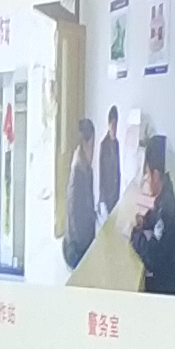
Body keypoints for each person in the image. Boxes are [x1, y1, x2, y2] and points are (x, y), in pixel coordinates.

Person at [130, 132, 175, 295]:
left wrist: (135, 235)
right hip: (165, 273)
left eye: (147, 173)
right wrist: (144, 222)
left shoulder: (165, 207)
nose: (145, 179)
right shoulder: (165, 191)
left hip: (165, 287)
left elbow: (152, 256)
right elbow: (154, 219)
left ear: (156, 175)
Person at [59, 114, 102, 269]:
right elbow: (74, 213)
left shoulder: (85, 167)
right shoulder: (78, 170)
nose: (94, 150)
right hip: (77, 248)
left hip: (81, 242)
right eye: (93, 145)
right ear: (86, 143)